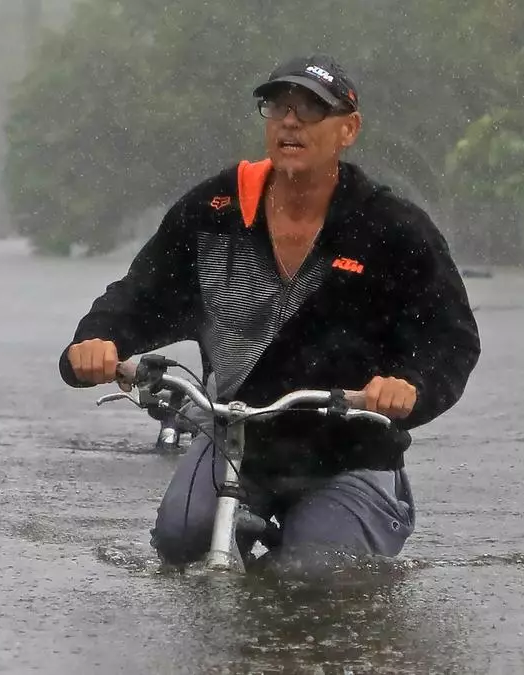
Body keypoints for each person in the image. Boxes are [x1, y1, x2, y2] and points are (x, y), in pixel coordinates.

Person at [59, 54, 480, 573]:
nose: (291, 121)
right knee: (178, 543)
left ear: (348, 129)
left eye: (311, 109)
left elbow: (451, 338)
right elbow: (141, 294)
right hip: (238, 442)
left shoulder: (391, 229)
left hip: (351, 453)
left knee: (310, 577)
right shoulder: (215, 210)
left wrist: (411, 387)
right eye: (279, 106)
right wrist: (99, 339)